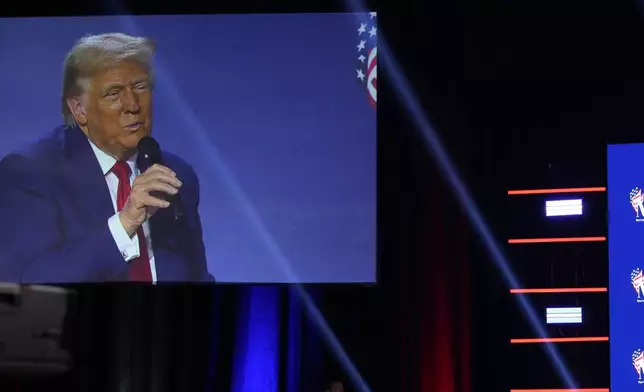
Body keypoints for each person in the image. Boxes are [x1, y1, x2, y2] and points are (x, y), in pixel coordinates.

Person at [0, 33, 213, 283]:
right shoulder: (30, 171)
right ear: (79, 109)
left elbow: (197, 279)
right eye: (113, 93)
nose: (133, 105)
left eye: (140, 87)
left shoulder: (175, 174)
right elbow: (27, 282)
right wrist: (126, 223)